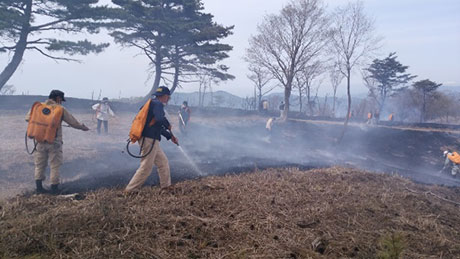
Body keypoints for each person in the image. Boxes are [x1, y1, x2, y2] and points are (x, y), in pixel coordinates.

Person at [26, 90, 89, 194]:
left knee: (39, 165)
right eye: (61, 100)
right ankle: (54, 189)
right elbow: (73, 122)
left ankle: (39, 188)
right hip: (54, 142)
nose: (61, 102)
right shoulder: (60, 109)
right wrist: (82, 127)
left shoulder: (38, 106)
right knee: (55, 165)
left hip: (39, 141)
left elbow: (28, 119)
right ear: (58, 98)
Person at [125, 86, 179, 192]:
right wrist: (167, 124)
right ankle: (131, 189)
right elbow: (159, 119)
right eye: (168, 98)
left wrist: (169, 136)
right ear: (165, 96)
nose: (168, 100)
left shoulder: (150, 104)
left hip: (151, 138)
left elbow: (155, 125)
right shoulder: (158, 104)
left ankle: (166, 187)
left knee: (163, 162)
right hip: (149, 139)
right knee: (146, 166)